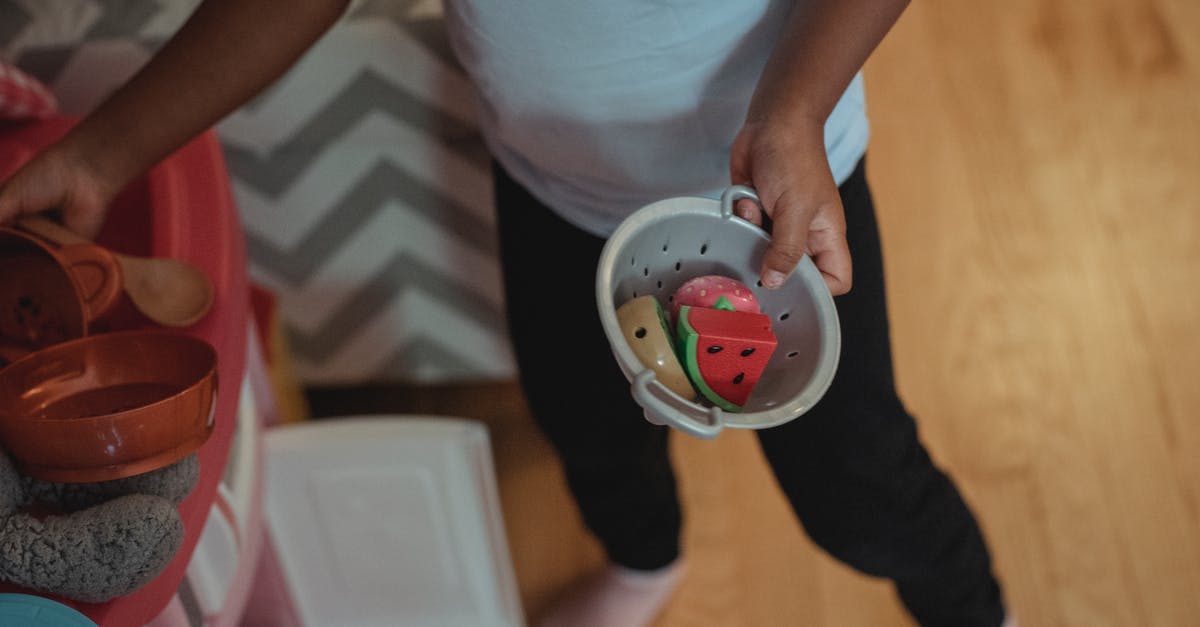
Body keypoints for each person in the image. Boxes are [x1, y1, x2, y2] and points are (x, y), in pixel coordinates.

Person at [0, 1, 1010, 625]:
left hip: (776, 200)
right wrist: (106, 149)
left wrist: (792, 106)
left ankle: (973, 610)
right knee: (584, 420)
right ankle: (642, 556)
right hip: (552, 191)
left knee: (860, 485)